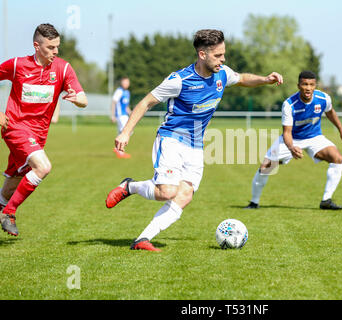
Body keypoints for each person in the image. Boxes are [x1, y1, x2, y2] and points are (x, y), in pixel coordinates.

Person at [105, 29, 283, 252]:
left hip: (196, 145)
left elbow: (243, 78)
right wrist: (126, 132)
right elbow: (146, 103)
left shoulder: (222, 74)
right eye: (218, 55)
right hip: (171, 139)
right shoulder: (179, 80)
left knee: (185, 195)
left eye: (223, 54)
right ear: (202, 55)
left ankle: (142, 239)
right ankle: (130, 186)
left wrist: (265, 79)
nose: (223, 59)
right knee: (167, 192)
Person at [0, 23, 88, 236]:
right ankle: (9, 213)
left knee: (14, 180)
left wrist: (78, 100)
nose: (55, 52)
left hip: (38, 136)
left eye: (57, 47)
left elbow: (83, 99)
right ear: (36, 46)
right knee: (43, 167)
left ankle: (3, 205)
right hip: (15, 127)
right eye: (50, 47)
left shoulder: (63, 68)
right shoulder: (17, 65)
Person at [245, 71, 342, 211]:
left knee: (337, 158)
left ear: (315, 86)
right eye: (304, 84)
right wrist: (291, 147)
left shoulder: (323, 98)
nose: (308, 88)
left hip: (314, 137)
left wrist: (341, 130)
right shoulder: (289, 104)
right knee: (266, 168)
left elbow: (330, 112)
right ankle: (254, 202)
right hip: (291, 139)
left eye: (311, 84)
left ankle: (326, 200)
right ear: (298, 85)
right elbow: (287, 132)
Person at [111, 77, 132, 158]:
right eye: (125, 82)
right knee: (126, 131)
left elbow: (126, 106)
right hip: (120, 115)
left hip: (125, 115)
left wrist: (131, 113)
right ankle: (119, 150)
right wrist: (113, 115)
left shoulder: (127, 92)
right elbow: (113, 102)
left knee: (126, 132)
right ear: (121, 82)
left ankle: (118, 149)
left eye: (127, 82)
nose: (126, 84)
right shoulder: (119, 91)